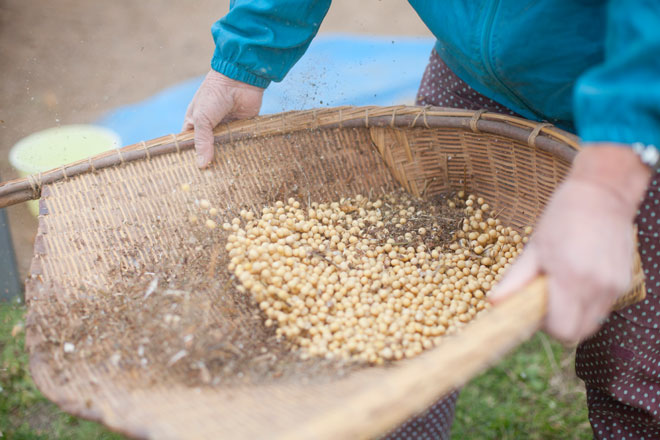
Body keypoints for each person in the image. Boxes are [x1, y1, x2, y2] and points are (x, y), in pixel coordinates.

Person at [183, 2, 660, 438]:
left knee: (639, 371)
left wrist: (608, 181)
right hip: (475, 79)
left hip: (643, 102)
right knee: (395, 338)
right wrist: (242, 62)